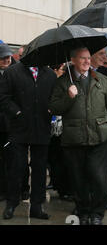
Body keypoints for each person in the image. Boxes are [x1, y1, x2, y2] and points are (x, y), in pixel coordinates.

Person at [49, 47, 107, 225]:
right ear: (73, 60)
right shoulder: (64, 82)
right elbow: (54, 108)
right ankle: (83, 210)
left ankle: (97, 213)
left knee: (98, 177)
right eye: (82, 58)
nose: (87, 61)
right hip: (74, 138)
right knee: (78, 178)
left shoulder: (102, 80)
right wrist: (68, 96)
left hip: (99, 137)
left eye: (88, 58)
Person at [0, 50, 57, 220]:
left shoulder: (50, 74)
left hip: (42, 127)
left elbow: (55, 97)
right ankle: (12, 203)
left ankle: (37, 206)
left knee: (39, 169)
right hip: (19, 128)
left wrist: (52, 109)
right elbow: (3, 98)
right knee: (17, 167)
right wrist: (16, 112)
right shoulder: (12, 72)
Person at [90, 48, 107, 210]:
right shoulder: (79, 74)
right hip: (88, 128)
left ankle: (106, 196)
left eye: (106, 54)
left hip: (105, 128)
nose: (105, 57)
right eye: (101, 54)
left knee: (106, 165)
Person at [47, 63, 72, 201]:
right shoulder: (55, 83)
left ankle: (66, 188)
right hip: (54, 129)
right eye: (62, 69)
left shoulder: (72, 83)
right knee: (56, 159)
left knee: (65, 160)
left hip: (67, 128)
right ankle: (59, 185)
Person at [0, 43, 13, 202]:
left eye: (8, 56)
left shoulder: (15, 73)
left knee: (13, 159)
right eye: (2, 57)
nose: (6, 59)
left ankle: (19, 189)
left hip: (12, 124)